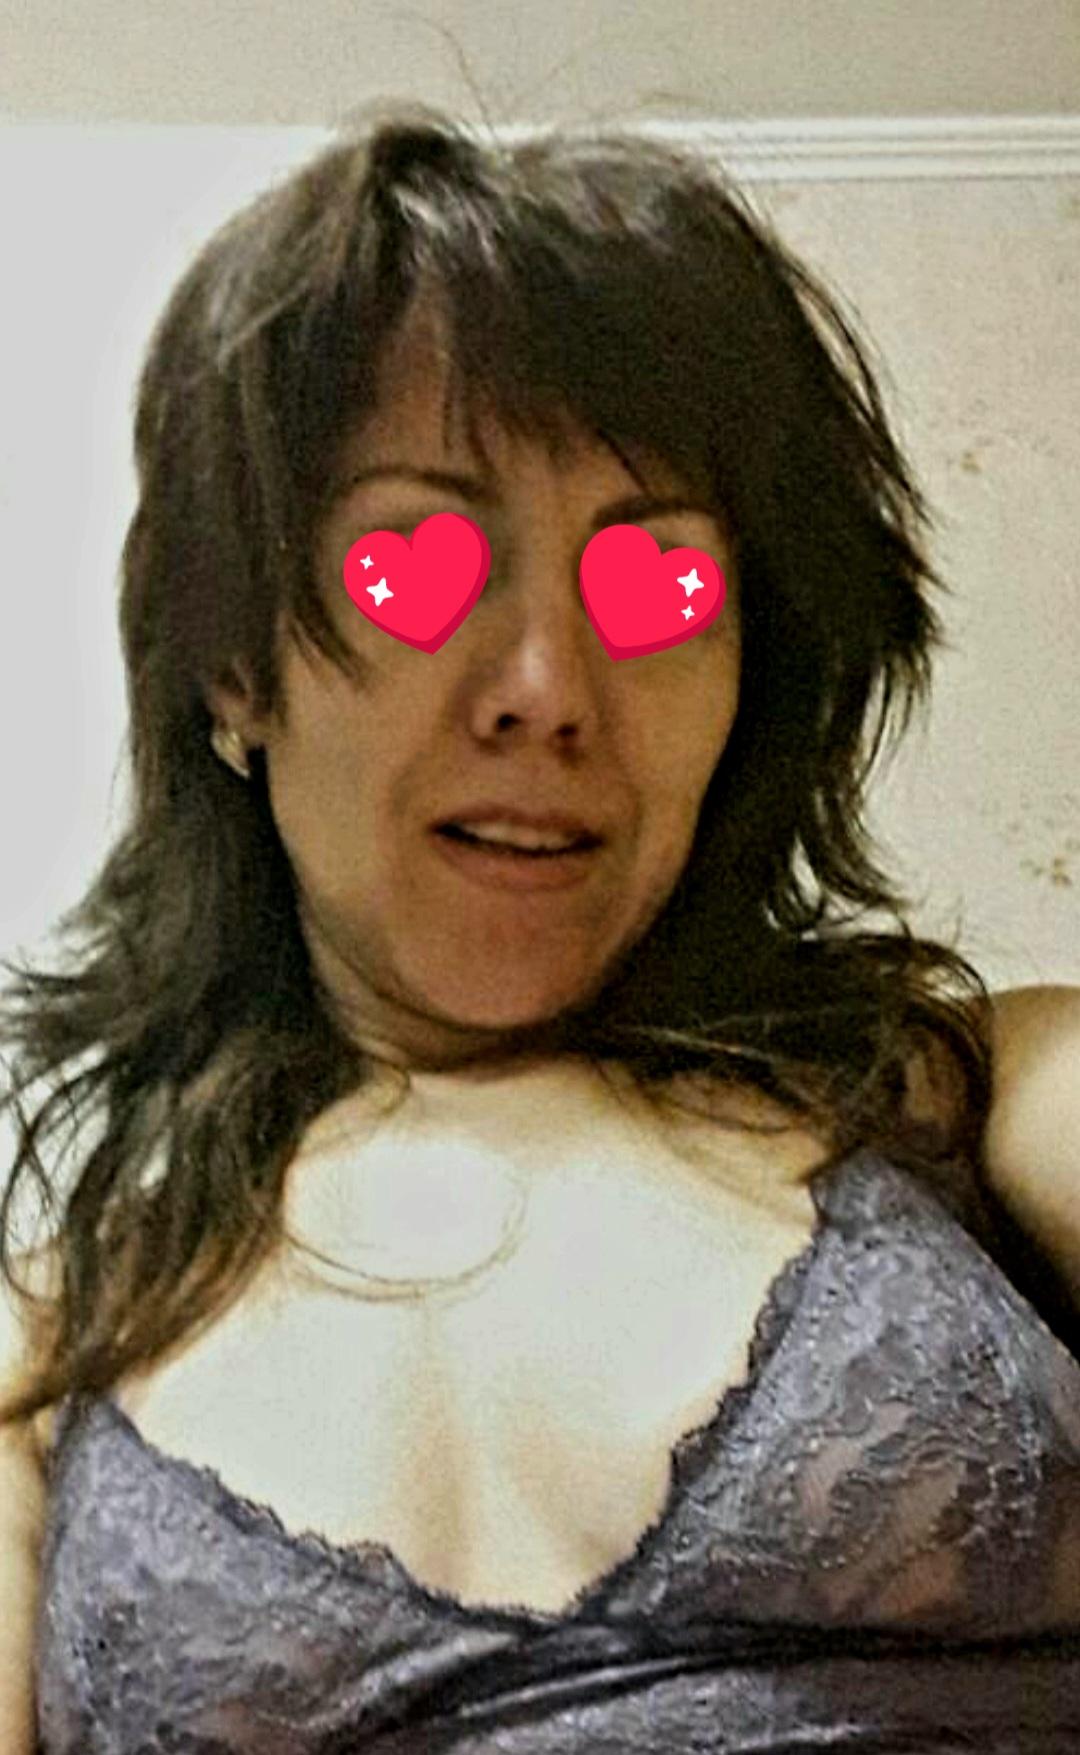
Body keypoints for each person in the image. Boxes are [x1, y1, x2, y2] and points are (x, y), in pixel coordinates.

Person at [1, 99, 1078, 1754]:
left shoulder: (972, 1092)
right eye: (416, 566)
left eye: (661, 586)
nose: (546, 690)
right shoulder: (58, 1349)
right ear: (233, 667)